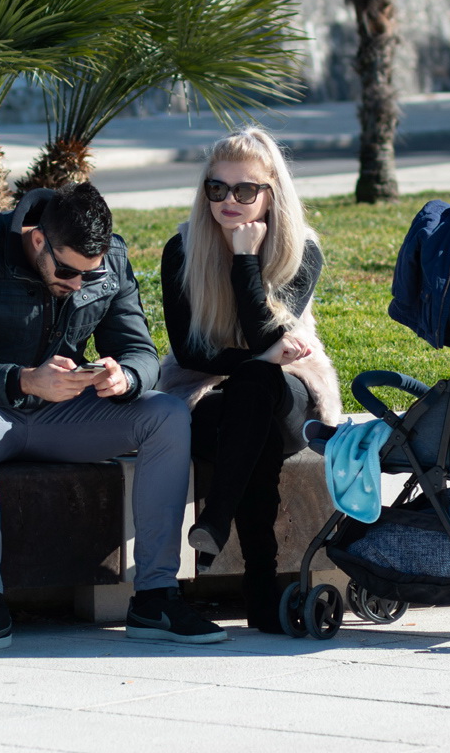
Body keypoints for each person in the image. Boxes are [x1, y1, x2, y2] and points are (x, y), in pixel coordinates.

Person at [0, 182, 227, 659]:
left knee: (165, 413)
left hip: (61, 415)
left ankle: (156, 599)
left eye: (89, 273)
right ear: (38, 239)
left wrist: (125, 377)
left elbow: (141, 352)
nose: (78, 283)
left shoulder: (111, 258)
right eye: (66, 271)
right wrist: (23, 380)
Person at [157, 127, 342, 633]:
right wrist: (260, 358)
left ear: (271, 194)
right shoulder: (183, 249)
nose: (228, 201)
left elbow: (263, 332)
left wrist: (244, 259)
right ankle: (261, 588)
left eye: (245, 190)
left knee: (257, 390)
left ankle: (217, 520)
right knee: (252, 398)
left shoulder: (301, 249)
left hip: (290, 395)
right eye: (217, 188)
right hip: (206, 394)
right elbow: (191, 352)